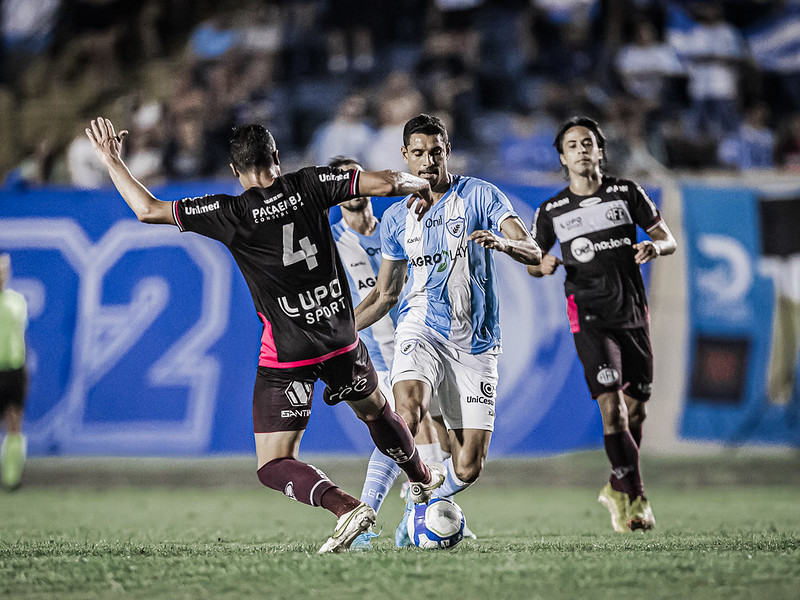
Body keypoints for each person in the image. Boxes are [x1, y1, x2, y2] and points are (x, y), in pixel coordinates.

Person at [84, 116, 445, 554]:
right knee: (377, 413)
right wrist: (420, 186)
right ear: (277, 157)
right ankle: (423, 479)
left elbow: (148, 209)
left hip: (289, 353)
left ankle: (345, 506)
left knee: (273, 462)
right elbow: (386, 182)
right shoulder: (311, 183)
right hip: (341, 340)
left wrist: (111, 160)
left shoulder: (231, 212)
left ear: (236, 173)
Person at [354, 114, 542, 545]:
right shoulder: (398, 220)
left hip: (475, 344)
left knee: (468, 466)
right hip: (420, 329)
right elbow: (385, 295)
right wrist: (340, 332)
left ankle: (415, 507)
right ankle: (365, 517)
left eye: (435, 152)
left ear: (447, 151)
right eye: (417, 153)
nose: (427, 162)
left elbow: (532, 250)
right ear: (404, 156)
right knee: (406, 412)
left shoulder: (479, 195)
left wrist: (506, 244)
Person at [527, 116, 677, 533]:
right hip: (588, 316)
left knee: (636, 410)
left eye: (588, 142)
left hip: (631, 313)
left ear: (601, 151)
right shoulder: (552, 210)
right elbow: (532, 264)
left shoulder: (627, 193)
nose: (581, 149)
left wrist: (654, 245)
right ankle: (636, 499)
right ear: (562, 157)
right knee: (611, 409)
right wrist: (544, 264)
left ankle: (616, 484)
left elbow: (669, 238)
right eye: (572, 144)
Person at [328, 156, 465, 550]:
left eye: (355, 177)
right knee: (404, 429)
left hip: (427, 339)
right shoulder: (333, 245)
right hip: (377, 355)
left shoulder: (398, 225)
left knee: (442, 437)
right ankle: (387, 520)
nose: (350, 186)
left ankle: (422, 515)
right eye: (341, 181)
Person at [0, 253, 29, 491]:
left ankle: (11, 479)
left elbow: (20, 336)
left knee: (14, 424)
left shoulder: (17, 301)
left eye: (4, 269)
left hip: (14, 370)